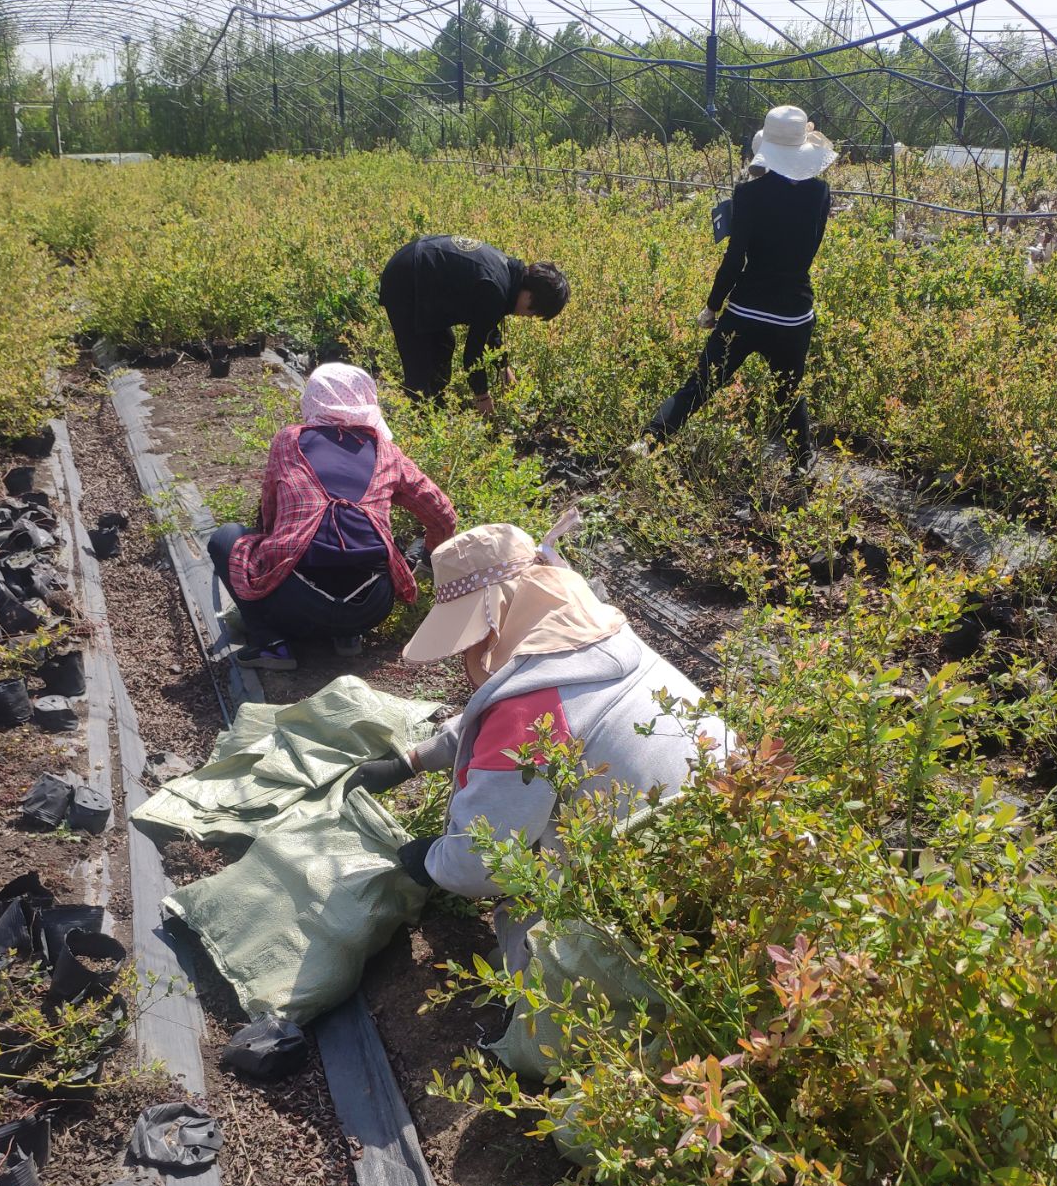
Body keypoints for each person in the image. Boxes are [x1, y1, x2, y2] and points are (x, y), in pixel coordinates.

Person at [346, 520, 730, 920]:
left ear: (492, 616)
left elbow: (480, 865)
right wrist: (412, 761)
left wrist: (434, 859)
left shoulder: (531, 709)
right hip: (744, 834)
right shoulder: (600, 640)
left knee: (529, 937)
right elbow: (537, 707)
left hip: (662, 895)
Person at [207, 363, 456, 672]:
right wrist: (429, 556)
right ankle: (348, 635)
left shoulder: (289, 441)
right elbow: (443, 515)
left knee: (226, 537)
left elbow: (270, 516)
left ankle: (270, 643)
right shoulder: (386, 452)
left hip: (294, 602)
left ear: (312, 400)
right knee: (386, 542)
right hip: (372, 606)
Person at [641, 106, 837, 469]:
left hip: (747, 311)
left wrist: (713, 306)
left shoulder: (749, 195)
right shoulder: (820, 193)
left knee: (700, 385)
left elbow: (735, 259)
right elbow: (809, 245)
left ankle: (648, 445)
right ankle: (801, 466)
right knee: (790, 393)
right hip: (795, 314)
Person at [378, 234, 570, 415]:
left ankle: (435, 404)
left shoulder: (508, 276)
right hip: (406, 279)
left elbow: (489, 329)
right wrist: (482, 397)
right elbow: (473, 354)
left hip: (422, 273)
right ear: (530, 294)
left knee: (443, 345)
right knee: (420, 364)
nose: (528, 316)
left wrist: (504, 369)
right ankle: (416, 419)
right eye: (533, 311)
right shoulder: (495, 289)